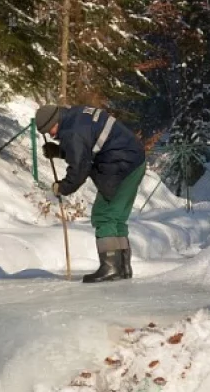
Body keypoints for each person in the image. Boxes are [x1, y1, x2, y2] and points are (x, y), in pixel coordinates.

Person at [35, 104, 146, 283]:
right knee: (116, 218)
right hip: (133, 160)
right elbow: (86, 145)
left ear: (55, 121)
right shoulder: (75, 115)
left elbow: (80, 168)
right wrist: (60, 151)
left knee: (104, 215)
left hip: (120, 165)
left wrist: (62, 187)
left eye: (50, 130)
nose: (51, 135)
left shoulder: (72, 132)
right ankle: (122, 267)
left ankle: (110, 267)